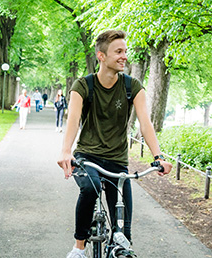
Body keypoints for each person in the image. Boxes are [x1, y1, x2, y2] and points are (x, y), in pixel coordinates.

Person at [57, 30, 173, 258]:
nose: (124, 56)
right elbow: (72, 120)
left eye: (125, 51)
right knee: (89, 189)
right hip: (87, 158)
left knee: (124, 234)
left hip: (117, 163)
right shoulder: (83, 85)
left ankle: (115, 247)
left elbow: (146, 124)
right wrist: (65, 151)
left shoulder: (132, 87)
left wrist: (158, 156)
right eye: (118, 51)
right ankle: (79, 247)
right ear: (101, 56)